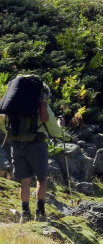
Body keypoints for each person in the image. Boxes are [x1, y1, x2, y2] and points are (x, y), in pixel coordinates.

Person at [0, 76, 66, 223]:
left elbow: (5, 126)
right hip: (37, 145)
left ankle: (25, 214)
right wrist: (61, 125)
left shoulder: (13, 107)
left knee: (24, 181)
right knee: (42, 179)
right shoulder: (41, 107)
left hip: (17, 146)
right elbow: (55, 132)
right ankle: (40, 213)